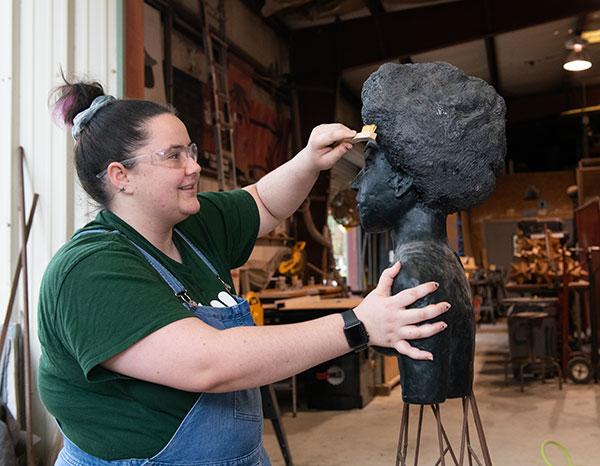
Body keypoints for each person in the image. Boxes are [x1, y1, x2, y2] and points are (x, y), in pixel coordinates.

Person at [38, 79, 450, 465]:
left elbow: (264, 202)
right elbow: (208, 363)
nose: (194, 167)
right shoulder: (90, 270)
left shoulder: (190, 227)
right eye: (174, 156)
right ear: (120, 176)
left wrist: (309, 161)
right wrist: (357, 325)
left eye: (191, 151)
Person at [352, 62, 506, 404]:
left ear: (404, 178)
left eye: (368, 163)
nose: (356, 182)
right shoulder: (446, 262)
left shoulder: (413, 274)